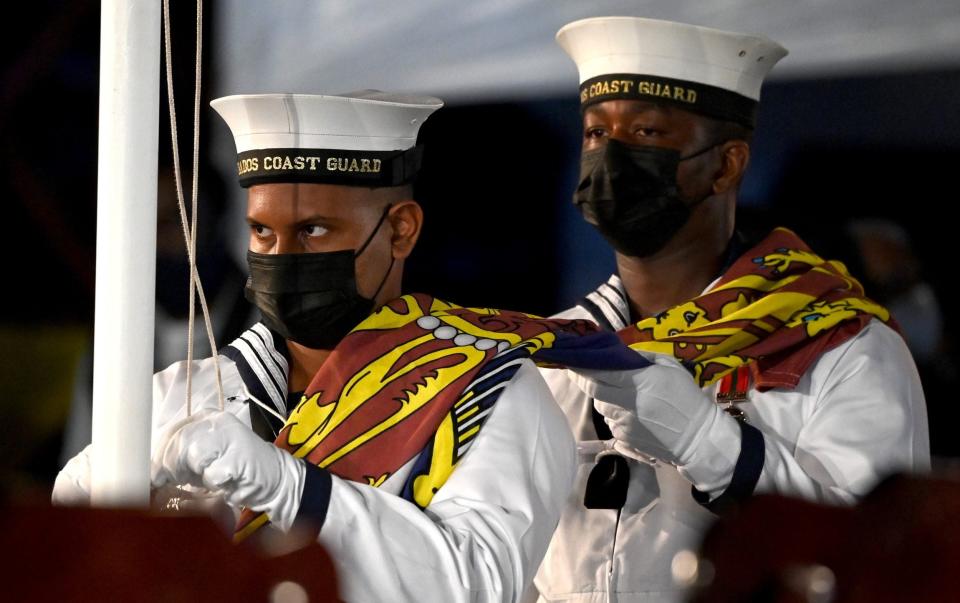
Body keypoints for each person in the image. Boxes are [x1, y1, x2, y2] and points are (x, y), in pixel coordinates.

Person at [53, 91, 577, 602]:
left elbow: (471, 587)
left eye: (314, 230)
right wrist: (98, 496)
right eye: (262, 231)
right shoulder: (180, 394)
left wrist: (286, 486)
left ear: (400, 230)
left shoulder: (491, 392)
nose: (282, 255)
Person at [529, 17, 930, 602]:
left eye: (645, 132)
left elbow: (880, 558)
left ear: (725, 164)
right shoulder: (554, 357)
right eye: (595, 133)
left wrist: (708, 444)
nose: (611, 157)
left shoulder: (839, 347)